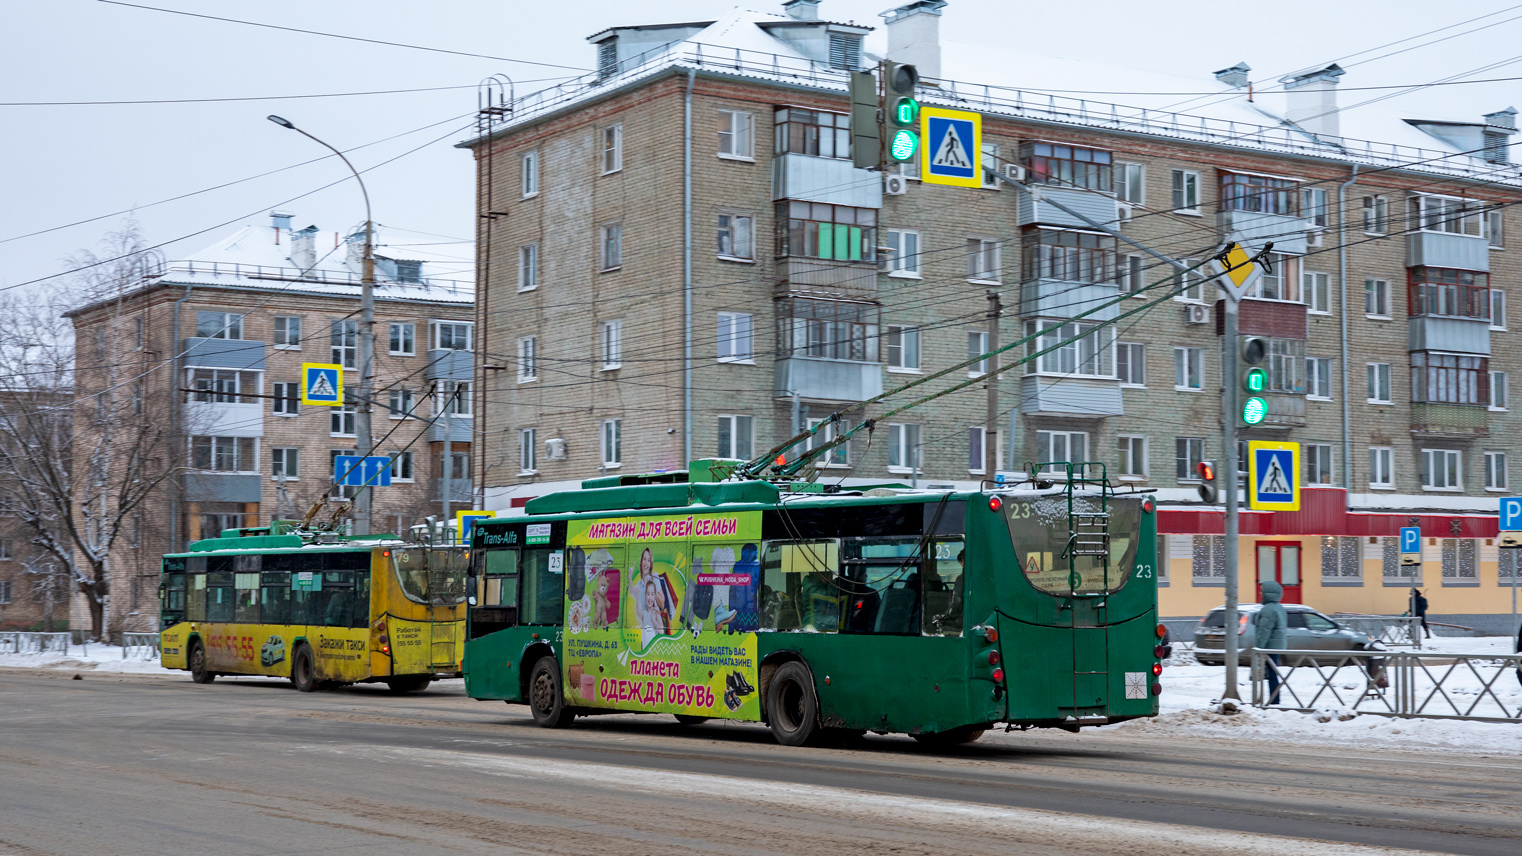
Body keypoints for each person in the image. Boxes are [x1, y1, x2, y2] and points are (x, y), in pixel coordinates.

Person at [1254, 581, 1288, 705]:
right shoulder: (1279, 607)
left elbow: (1264, 632)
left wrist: (1259, 648)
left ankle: (1274, 700)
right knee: (1272, 673)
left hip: (1269, 647)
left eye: (1262, 591)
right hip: (1277, 646)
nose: (1260, 593)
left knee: (1271, 674)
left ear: (1268, 593)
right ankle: (1272, 699)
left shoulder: (1268, 609)